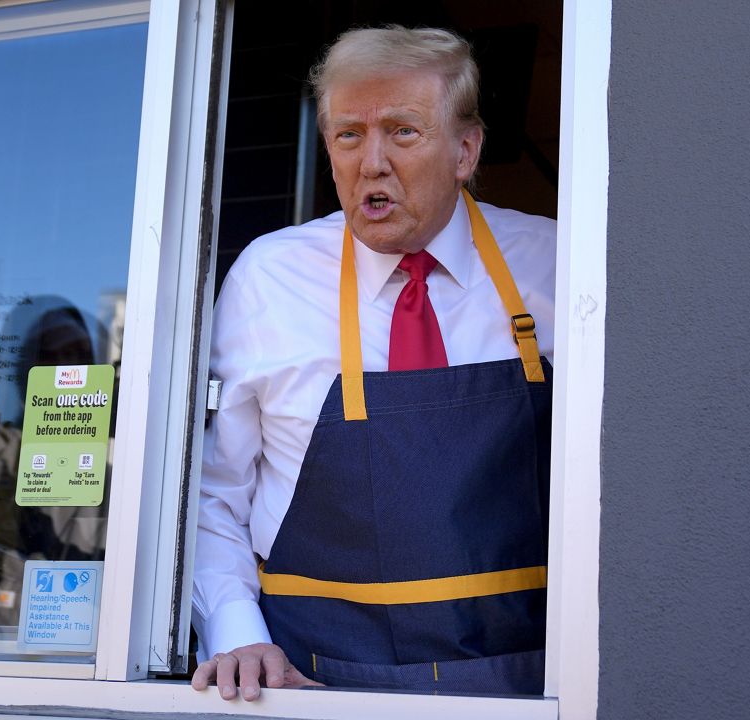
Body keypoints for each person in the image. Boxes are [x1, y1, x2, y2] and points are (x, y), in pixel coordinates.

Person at [190, 26, 556, 699]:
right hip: (313, 682)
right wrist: (238, 633)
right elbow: (212, 490)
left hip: (525, 685)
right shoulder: (268, 279)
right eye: (349, 135)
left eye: (403, 132)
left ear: (466, 150)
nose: (372, 162)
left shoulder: (556, 265)